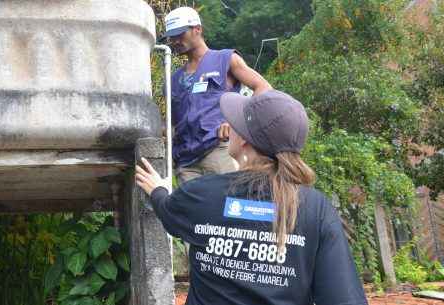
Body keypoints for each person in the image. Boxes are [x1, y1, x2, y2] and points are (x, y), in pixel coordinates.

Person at [135, 90, 368, 305]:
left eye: (235, 124)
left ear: (245, 140)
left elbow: (167, 210)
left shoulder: (201, 194)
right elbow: (343, 298)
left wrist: (157, 189)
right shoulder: (315, 209)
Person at [163, 7, 273, 183]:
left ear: (197, 29)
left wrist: (237, 121)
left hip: (219, 150)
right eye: (171, 37)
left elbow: (263, 87)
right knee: (193, 211)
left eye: (179, 34)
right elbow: (171, 122)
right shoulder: (173, 80)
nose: (175, 41)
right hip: (185, 162)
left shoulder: (225, 59)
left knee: (229, 205)